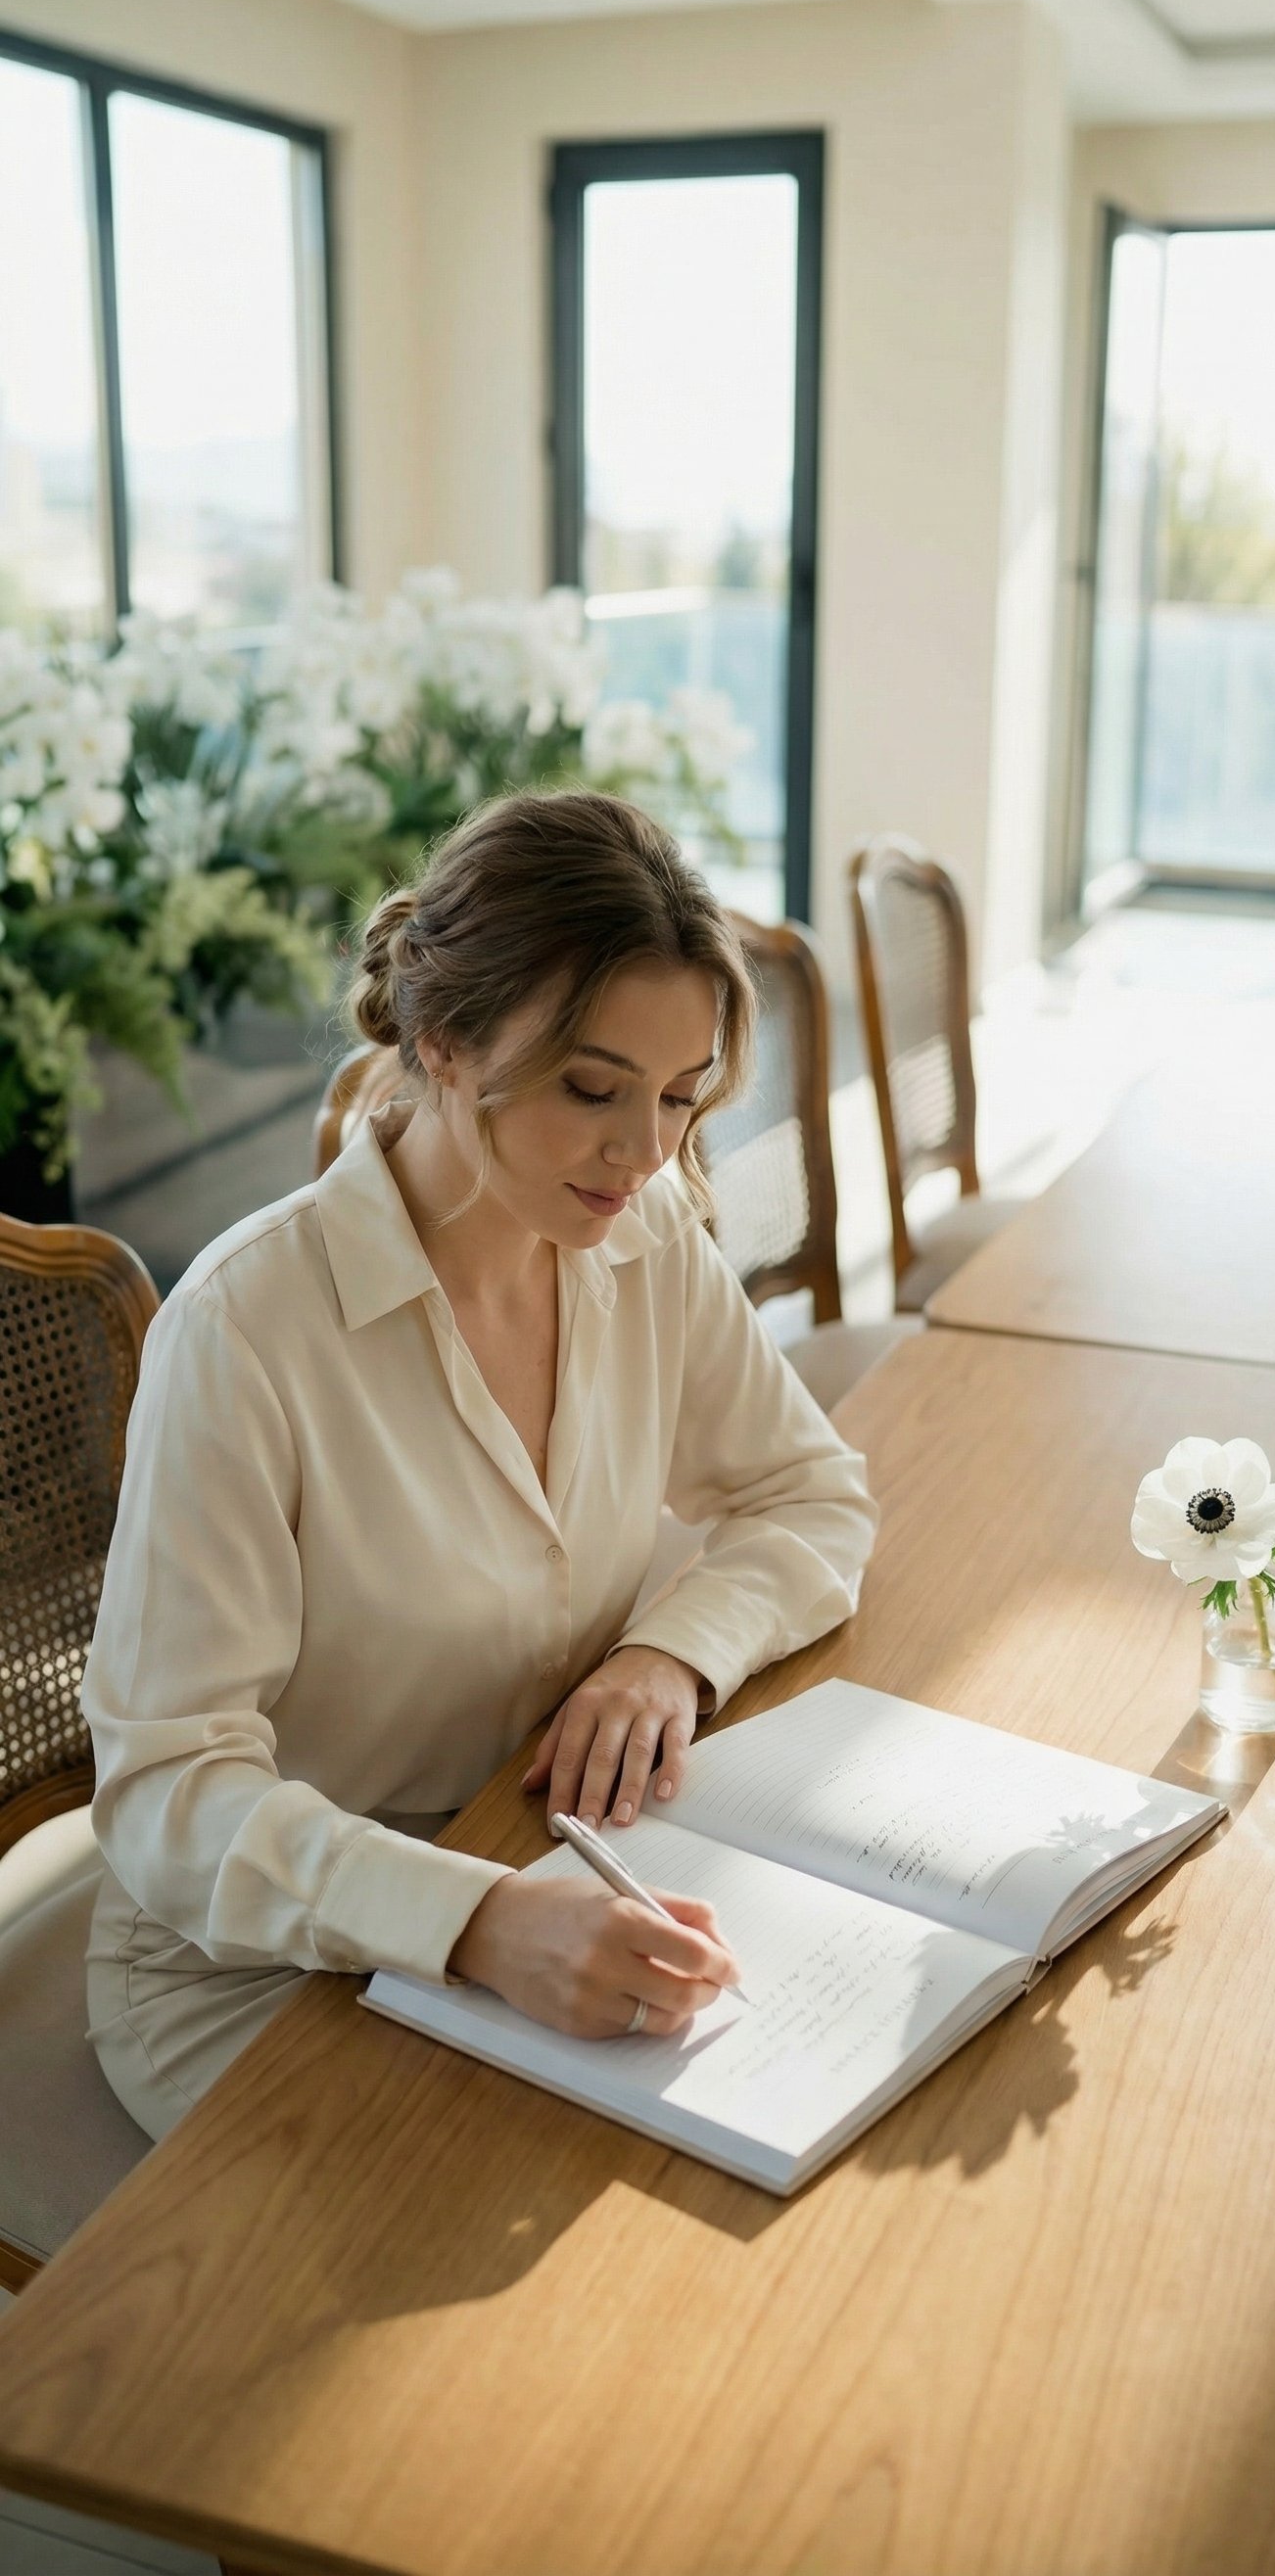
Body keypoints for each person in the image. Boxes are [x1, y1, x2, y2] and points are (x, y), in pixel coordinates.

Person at [82, 790, 877, 2140]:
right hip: (259, 1963)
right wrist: (479, 1920)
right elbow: (168, 1796)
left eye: (682, 1100)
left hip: (546, 1853)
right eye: (593, 1090)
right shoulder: (246, 1331)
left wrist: (668, 1654)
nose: (647, 1155)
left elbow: (811, 1497)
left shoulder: (649, 1238)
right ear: (444, 1042)